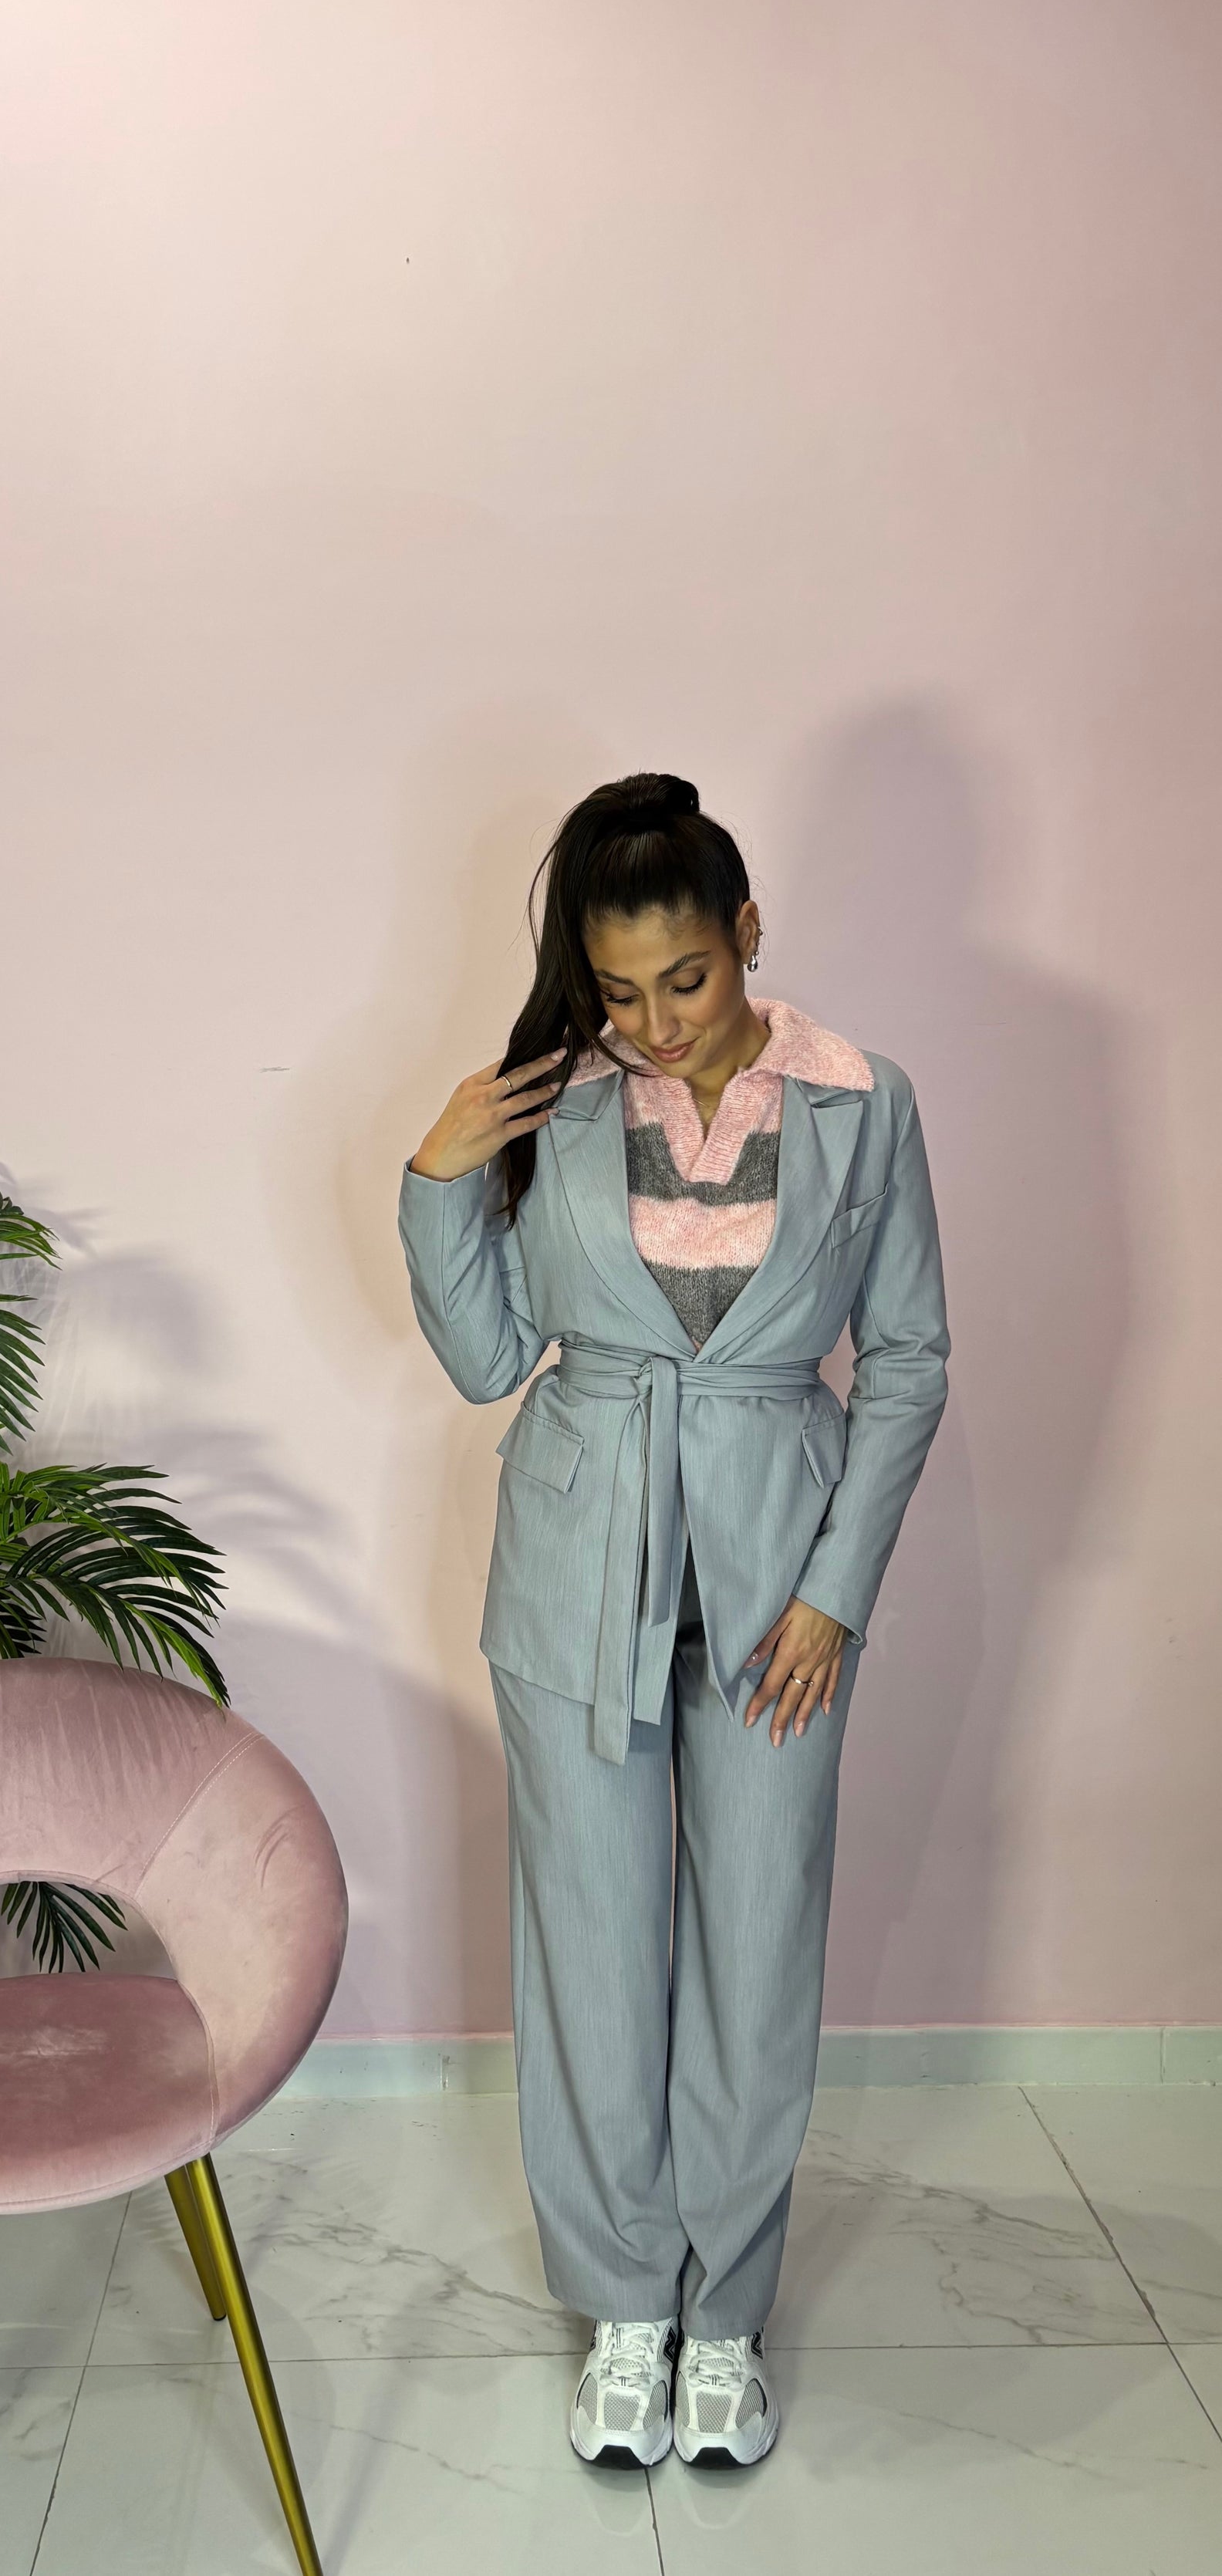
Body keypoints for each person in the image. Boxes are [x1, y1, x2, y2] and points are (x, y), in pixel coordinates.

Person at [397, 772, 948, 2472]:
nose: (652, 1021)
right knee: (589, 1948)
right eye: (618, 988)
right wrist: (436, 1176)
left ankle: (726, 2321)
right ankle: (627, 2306)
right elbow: (492, 1359)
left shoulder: (863, 1102)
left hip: (781, 1588)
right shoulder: (557, 1103)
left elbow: (908, 1359)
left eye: (686, 978)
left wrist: (836, 1593)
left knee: (757, 1947)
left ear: (748, 933)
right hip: (578, 1575)